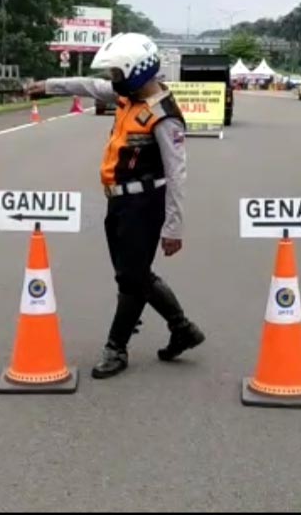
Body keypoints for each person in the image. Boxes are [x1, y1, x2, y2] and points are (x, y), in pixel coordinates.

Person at [27, 32, 205, 379]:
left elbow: (177, 175)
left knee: (131, 278)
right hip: (119, 202)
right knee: (133, 275)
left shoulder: (164, 116)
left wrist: (174, 227)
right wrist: (46, 85)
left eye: (118, 74)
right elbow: (88, 85)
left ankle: (116, 347)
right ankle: (181, 328)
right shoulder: (127, 96)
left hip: (145, 203)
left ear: (138, 71)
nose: (113, 81)